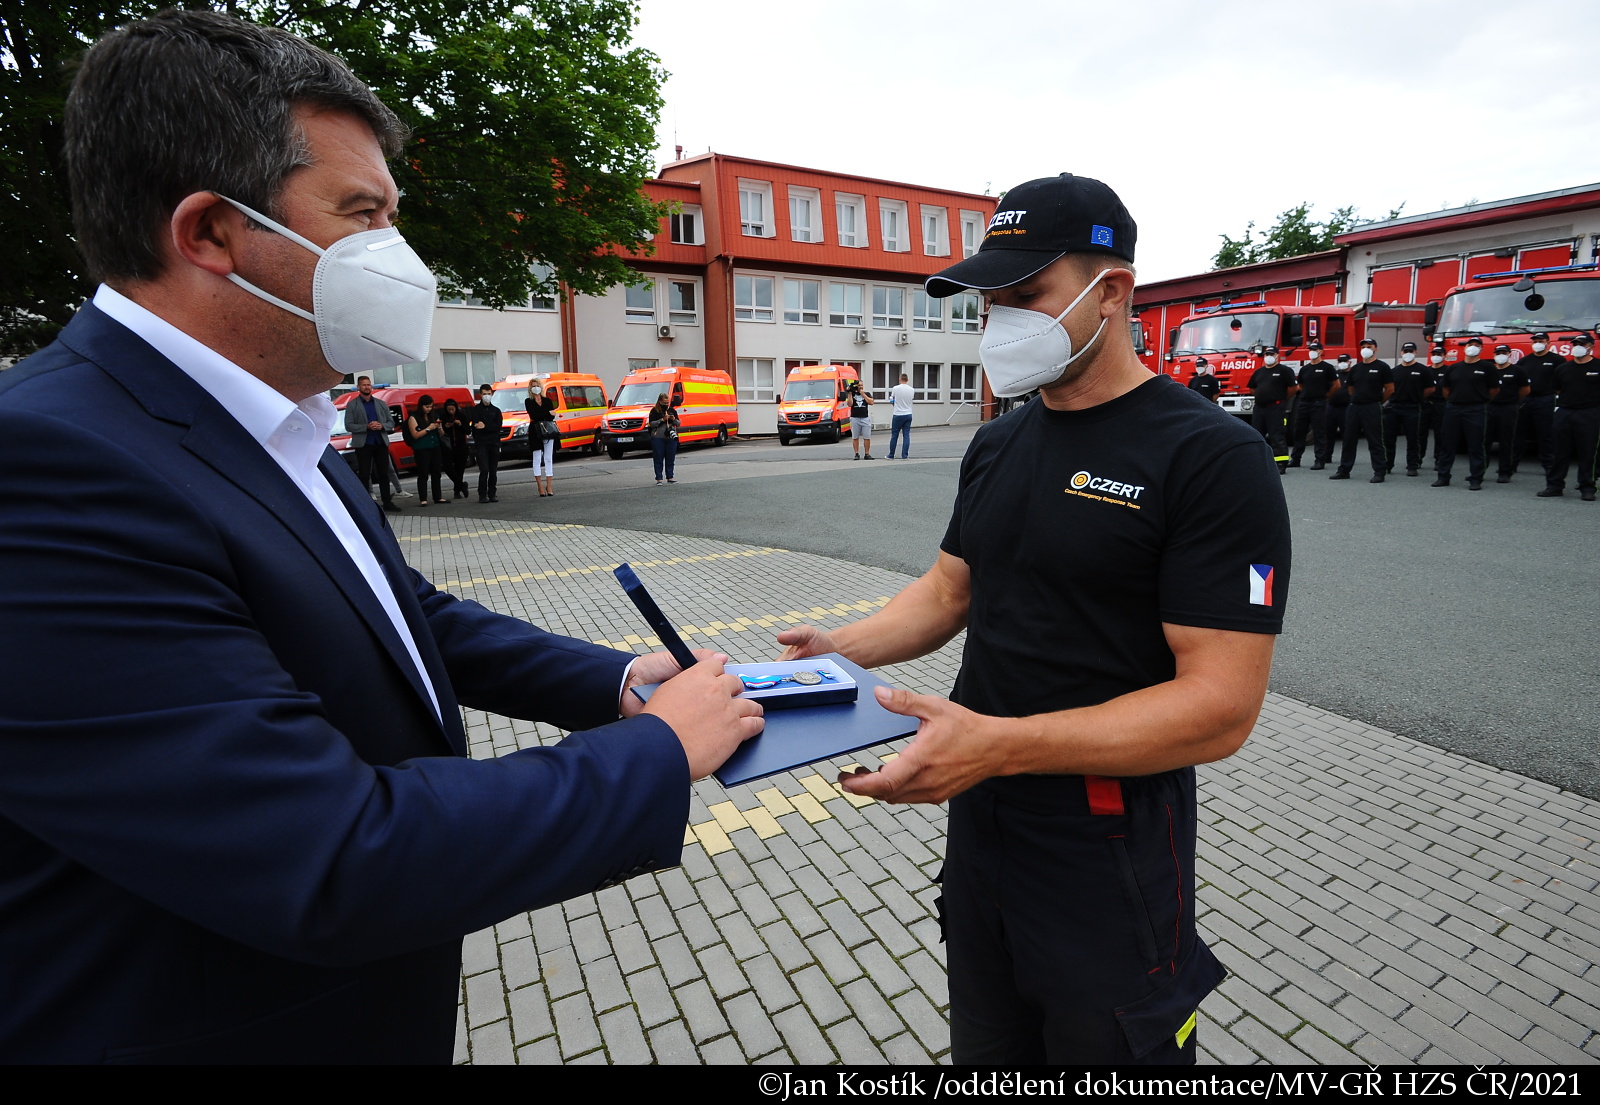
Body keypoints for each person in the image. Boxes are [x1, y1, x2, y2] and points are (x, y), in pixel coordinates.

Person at [0, 10, 762, 1064]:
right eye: (360, 215)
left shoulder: (273, 414)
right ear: (210, 233)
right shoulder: (49, 467)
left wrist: (613, 680)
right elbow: (329, 856)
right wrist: (661, 749)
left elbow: (402, 615)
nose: (394, 254)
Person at [780, 174, 1290, 1065]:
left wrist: (1002, 744)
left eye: (1028, 297)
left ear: (1114, 291)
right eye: (992, 301)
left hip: (1109, 837)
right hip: (981, 820)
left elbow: (1222, 706)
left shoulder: (1211, 456)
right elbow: (947, 592)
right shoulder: (1000, 440)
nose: (1001, 322)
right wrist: (833, 651)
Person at [1538, 332, 1600, 501]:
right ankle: (1554, 486)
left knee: (1588, 452)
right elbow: (1557, 389)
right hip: (1565, 412)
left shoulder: (1597, 366)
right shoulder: (1563, 368)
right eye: (1575, 344)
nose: (1577, 347)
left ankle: (1587, 487)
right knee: (1559, 451)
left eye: (1582, 344)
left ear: (1590, 347)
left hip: (1589, 413)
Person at [1433, 337, 1498, 489]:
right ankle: (1443, 476)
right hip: (1454, 408)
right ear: (1465, 347)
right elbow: (1446, 389)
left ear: (1481, 349)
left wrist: (1481, 401)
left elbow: (1494, 390)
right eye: (1470, 345)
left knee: (1476, 444)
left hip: (1476, 409)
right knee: (1448, 444)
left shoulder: (1487, 368)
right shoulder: (1454, 368)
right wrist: (1455, 401)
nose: (1472, 347)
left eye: (1476, 345)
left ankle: (1475, 479)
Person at [1330, 337, 1392, 483]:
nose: (1366, 348)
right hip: (1354, 407)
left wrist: (1377, 402)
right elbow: (1351, 388)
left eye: (1369, 346)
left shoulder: (1382, 367)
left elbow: (1390, 389)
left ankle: (1379, 471)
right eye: (1363, 346)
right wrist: (1357, 399)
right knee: (1348, 440)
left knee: (1375, 440)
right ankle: (1344, 470)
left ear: (1375, 348)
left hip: (1372, 406)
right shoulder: (1356, 368)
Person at [343, 374, 399, 511]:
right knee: (364, 474)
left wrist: (382, 426)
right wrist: (366, 427)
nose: (367, 387)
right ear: (358, 387)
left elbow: (391, 422)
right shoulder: (352, 405)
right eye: (364, 385)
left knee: (383, 473)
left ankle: (387, 502)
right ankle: (366, 504)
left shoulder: (381, 404)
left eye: (368, 384)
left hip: (380, 442)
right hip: (364, 443)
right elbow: (348, 425)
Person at [1516, 331, 1563, 482]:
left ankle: (1548, 464)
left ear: (1548, 343)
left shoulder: (1557, 360)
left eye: (1540, 340)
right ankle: (1511, 464)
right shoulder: (1524, 361)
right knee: (1518, 433)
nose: (1537, 343)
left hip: (1546, 399)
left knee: (1546, 434)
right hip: (1526, 399)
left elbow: (1562, 380)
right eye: (1535, 340)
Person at [1382, 342, 1433, 476]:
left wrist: (1417, 398)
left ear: (1415, 352)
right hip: (1394, 407)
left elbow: (1430, 389)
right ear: (1401, 353)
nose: (1407, 354)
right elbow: (1388, 388)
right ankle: (1387, 464)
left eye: (1410, 351)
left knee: (1413, 438)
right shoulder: (1394, 371)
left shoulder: (1423, 370)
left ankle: (1412, 465)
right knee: (1389, 438)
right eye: (1405, 351)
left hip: (1412, 407)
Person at [1247, 344, 1297, 473]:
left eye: (1271, 354)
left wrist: (1280, 399)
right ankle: (1257, 462)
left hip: (1276, 408)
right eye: (1267, 354)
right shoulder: (1259, 372)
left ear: (1277, 356)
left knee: (1277, 436)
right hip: (1259, 409)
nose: (1269, 357)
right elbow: (1252, 388)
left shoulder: (1284, 371)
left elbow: (1293, 389)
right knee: (1257, 435)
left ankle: (1281, 463)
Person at [1289, 341, 1336, 469]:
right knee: (1299, 431)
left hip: (1318, 403)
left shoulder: (1327, 368)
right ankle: (1296, 459)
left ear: (1320, 351)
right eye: (1310, 349)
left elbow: (1336, 385)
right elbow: (1300, 385)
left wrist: (1325, 396)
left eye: (1314, 350)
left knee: (1319, 432)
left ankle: (1320, 460)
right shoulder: (1305, 369)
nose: (1312, 352)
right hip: (1304, 403)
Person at [1486, 344, 1529, 483]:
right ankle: (1479, 470)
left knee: (1506, 440)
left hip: (1508, 408)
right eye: (1498, 352)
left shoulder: (1518, 371)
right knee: (1485, 440)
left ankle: (1505, 471)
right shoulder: (1490, 370)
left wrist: (1513, 401)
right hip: (1490, 407)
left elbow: (1525, 390)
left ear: (1509, 354)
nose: (1501, 355)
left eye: (1504, 352)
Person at [406, 394, 445, 505]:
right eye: (426, 407)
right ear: (421, 406)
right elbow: (415, 435)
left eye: (431, 407)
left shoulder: (434, 415)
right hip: (421, 448)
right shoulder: (413, 417)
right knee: (423, 473)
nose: (429, 409)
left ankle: (437, 496)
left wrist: (440, 428)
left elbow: (442, 434)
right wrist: (428, 429)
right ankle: (423, 498)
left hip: (435, 447)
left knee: (436, 472)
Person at [468, 383, 502, 502]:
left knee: (493, 470)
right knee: (484, 470)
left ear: (492, 394)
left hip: (494, 444)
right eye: (484, 394)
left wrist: (485, 425)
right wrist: (486, 426)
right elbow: (476, 426)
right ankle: (482, 495)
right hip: (481, 444)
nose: (486, 396)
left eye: (488, 394)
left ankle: (492, 493)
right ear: (480, 395)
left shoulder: (496, 411)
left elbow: (497, 427)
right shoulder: (475, 410)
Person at [525, 381, 558, 496]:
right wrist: (547, 413)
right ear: (530, 388)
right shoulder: (528, 401)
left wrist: (546, 414)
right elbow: (534, 415)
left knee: (548, 458)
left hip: (548, 431)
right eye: (533, 386)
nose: (536, 388)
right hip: (535, 432)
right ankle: (540, 486)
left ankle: (549, 486)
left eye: (537, 386)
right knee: (537, 458)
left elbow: (551, 416)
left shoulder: (547, 401)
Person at [1421, 344, 1451, 463]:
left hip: (1441, 404)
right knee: (1421, 433)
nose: (1436, 356)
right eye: (1434, 354)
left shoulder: (1448, 371)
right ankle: (1418, 458)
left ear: (1444, 356)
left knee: (1440, 433)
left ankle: (1439, 459)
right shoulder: (1426, 370)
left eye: (1439, 354)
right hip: (1426, 403)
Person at [437, 397, 471, 499]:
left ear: (456, 408)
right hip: (448, 446)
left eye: (453, 409)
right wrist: (446, 427)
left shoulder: (462, 416)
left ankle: (457, 491)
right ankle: (462, 485)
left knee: (459, 469)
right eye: (449, 410)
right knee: (448, 468)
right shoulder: (443, 417)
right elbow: (440, 432)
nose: (451, 411)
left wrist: (460, 425)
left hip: (461, 446)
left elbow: (468, 431)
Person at [647, 392, 680, 484]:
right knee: (658, 457)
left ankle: (670, 477)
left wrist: (673, 419)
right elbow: (651, 424)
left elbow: (678, 423)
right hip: (658, 437)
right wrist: (662, 420)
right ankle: (659, 478)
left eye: (667, 403)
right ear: (659, 402)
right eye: (664, 403)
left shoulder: (672, 410)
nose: (666, 405)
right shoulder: (654, 411)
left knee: (670, 457)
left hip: (670, 437)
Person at [845, 379, 875, 459]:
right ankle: (856, 453)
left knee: (867, 437)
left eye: (861, 385)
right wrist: (850, 393)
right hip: (855, 418)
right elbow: (849, 404)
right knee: (855, 437)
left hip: (865, 418)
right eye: (859, 385)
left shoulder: (867, 393)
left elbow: (871, 402)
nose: (860, 387)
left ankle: (867, 454)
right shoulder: (853, 393)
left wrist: (863, 394)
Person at [888, 373, 915, 458]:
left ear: (900, 379)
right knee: (906, 435)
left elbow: (891, 399)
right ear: (907, 380)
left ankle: (891, 455)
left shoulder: (895, 388)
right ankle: (905, 455)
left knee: (895, 435)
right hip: (908, 413)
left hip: (898, 414)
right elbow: (911, 400)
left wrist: (895, 405)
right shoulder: (911, 389)